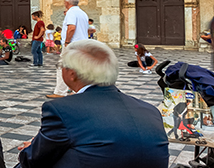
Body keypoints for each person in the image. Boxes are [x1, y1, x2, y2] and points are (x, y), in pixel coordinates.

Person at [16, 40, 169, 168]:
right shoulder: (150, 110)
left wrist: (33, 146)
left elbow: (32, 160)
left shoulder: (62, 109)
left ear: (71, 73)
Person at [47, 0, 89, 99]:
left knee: (63, 66)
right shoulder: (83, 13)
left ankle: (60, 91)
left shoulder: (71, 12)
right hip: (82, 43)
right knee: (78, 67)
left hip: (72, 44)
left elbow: (71, 27)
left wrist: (67, 41)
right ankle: (79, 90)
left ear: (67, 3)